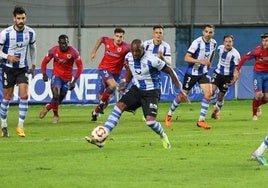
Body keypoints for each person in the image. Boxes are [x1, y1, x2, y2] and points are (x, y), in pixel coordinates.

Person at [85, 39, 182, 149]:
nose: (135, 54)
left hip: (152, 92)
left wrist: (179, 89)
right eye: (133, 51)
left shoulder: (152, 59)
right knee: (119, 106)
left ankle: (163, 136)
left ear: (143, 49)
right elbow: (131, 70)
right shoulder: (129, 57)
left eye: (138, 51)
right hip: (137, 89)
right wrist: (126, 82)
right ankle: (103, 136)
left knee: (150, 122)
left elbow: (169, 70)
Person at [165, 24, 217, 129]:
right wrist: (199, 61)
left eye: (210, 32)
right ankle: (169, 114)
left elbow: (212, 54)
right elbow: (186, 58)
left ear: (213, 33)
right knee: (182, 96)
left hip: (203, 73)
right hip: (191, 73)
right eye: (206, 32)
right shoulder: (196, 43)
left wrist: (209, 63)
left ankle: (201, 121)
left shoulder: (213, 43)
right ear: (203, 32)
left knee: (209, 94)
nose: (208, 34)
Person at [0, 6, 36, 137]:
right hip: (8, 69)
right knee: (7, 98)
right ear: (14, 19)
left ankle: (20, 126)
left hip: (22, 69)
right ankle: (3, 125)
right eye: (19, 18)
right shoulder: (6, 33)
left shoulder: (30, 33)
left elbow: (33, 48)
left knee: (24, 95)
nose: (21, 20)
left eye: (23, 18)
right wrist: (7, 56)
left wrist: (33, 64)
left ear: (25, 18)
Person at [39, 34, 83, 123]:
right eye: (62, 43)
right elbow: (44, 63)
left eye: (66, 43)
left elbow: (80, 67)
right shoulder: (53, 50)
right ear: (59, 43)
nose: (64, 45)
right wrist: (44, 74)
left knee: (59, 100)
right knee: (56, 95)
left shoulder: (74, 52)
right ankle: (55, 115)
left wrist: (74, 81)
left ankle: (48, 107)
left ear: (68, 43)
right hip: (57, 75)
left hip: (67, 78)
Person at [90, 28, 130, 121]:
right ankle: (100, 104)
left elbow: (136, 49)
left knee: (106, 100)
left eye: (121, 37)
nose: (119, 38)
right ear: (114, 36)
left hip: (115, 74)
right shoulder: (108, 41)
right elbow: (101, 39)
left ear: (123, 38)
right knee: (112, 86)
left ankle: (95, 112)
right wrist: (94, 51)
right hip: (104, 69)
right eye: (117, 36)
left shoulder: (126, 47)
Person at [233, 33, 268, 121]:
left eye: (266, 41)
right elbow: (245, 57)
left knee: (267, 98)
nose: (264, 43)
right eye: (263, 40)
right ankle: (254, 115)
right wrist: (237, 69)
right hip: (258, 74)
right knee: (259, 95)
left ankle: (258, 104)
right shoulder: (257, 50)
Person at [210, 35, 241, 120]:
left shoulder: (235, 54)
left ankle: (216, 111)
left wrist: (235, 79)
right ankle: (215, 108)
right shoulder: (220, 48)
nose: (228, 43)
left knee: (220, 96)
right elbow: (213, 53)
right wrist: (209, 63)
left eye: (230, 41)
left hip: (227, 77)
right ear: (224, 42)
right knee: (211, 91)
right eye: (226, 41)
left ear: (232, 43)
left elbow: (238, 69)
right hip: (218, 73)